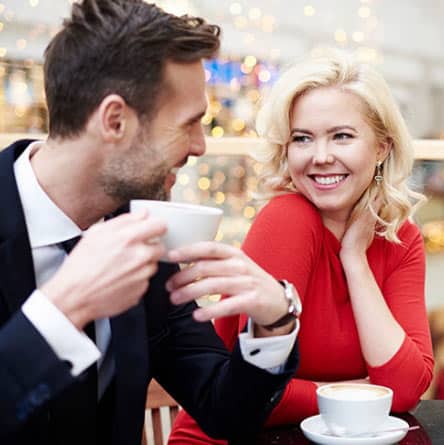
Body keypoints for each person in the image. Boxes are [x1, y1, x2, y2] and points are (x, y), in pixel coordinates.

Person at [0, 1, 302, 444]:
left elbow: (225, 412)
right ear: (115, 120)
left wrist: (275, 322)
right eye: (189, 123)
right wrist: (62, 310)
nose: (200, 146)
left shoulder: (144, 231)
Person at [169, 50, 435, 444]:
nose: (320, 157)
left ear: (381, 147)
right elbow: (258, 392)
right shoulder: (287, 218)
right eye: (302, 139)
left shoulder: (400, 237)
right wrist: (358, 393)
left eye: (342, 136)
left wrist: (353, 258)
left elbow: (406, 387)